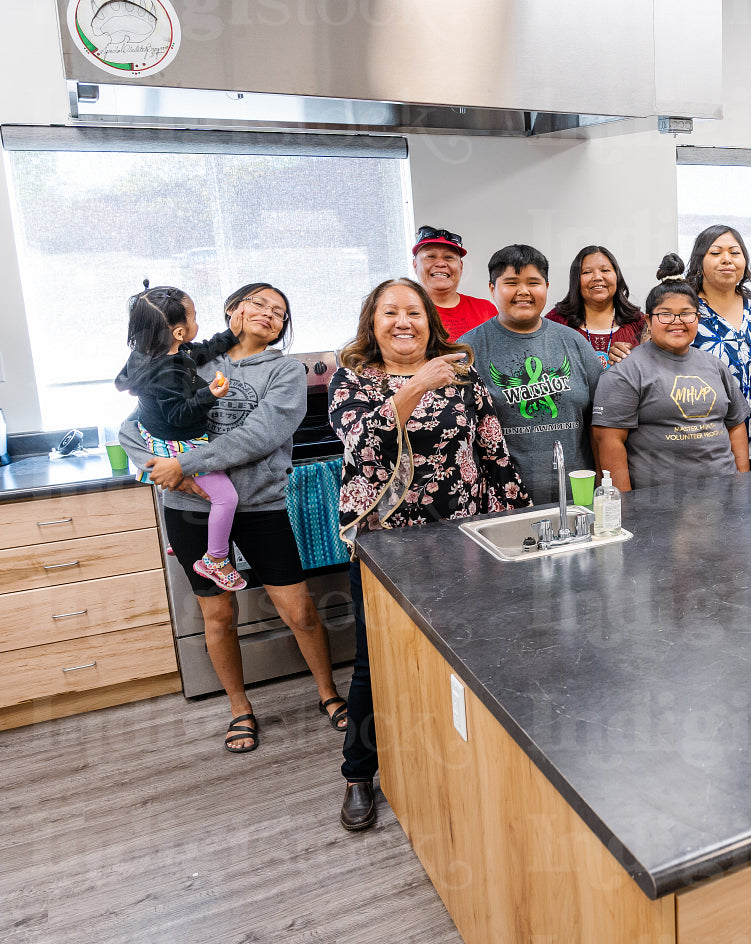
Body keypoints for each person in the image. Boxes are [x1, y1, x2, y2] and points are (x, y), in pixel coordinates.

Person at [330, 278, 529, 832]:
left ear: (429, 321)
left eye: (413, 312)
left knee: (465, 658)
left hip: (460, 542)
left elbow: (493, 454)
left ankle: (451, 762)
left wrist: (518, 528)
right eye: (390, 312)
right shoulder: (352, 380)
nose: (403, 322)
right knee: (376, 663)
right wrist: (415, 386)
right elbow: (362, 446)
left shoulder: (461, 373)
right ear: (373, 322)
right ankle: (358, 772)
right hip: (384, 546)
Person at [118, 283, 345, 754]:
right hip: (190, 508)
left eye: (279, 312)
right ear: (231, 310)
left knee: (299, 611)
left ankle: (329, 694)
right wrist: (163, 470)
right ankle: (240, 709)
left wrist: (186, 464)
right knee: (218, 614)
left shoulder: (284, 370)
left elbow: (262, 435)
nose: (268, 313)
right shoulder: (191, 359)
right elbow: (132, 424)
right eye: (258, 303)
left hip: (261, 505)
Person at [115, 283, 243, 590]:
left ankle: (181, 543)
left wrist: (229, 336)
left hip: (154, 436)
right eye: (194, 317)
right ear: (178, 333)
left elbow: (198, 353)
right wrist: (209, 394)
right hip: (179, 447)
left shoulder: (149, 355)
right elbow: (180, 414)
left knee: (190, 495)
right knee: (226, 497)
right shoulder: (167, 373)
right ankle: (215, 558)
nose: (198, 323)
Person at [460, 244, 602, 505]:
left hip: (577, 496)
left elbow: (603, 420)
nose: (523, 291)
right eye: (511, 282)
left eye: (533, 282)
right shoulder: (468, 351)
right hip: (503, 501)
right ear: (492, 289)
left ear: (547, 286)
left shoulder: (575, 343)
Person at [591, 280, 749, 490]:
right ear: (648, 320)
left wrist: (742, 485)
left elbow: (736, 425)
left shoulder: (715, 365)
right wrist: (626, 509)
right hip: (658, 505)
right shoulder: (626, 370)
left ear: (697, 318)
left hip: (724, 497)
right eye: (665, 314)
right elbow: (609, 443)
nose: (677, 321)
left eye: (686, 313)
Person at [685, 224, 751, 469]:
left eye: (734, 252)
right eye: (716, 253)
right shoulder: (685, 311)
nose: (726, 260)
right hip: (710, 448)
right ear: (699, 263)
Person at [543, 245, 647, 368]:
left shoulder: (638, 321)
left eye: (605, 270)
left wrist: (635, 356)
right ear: (576, 280)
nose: (597, 277)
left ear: (617, 276)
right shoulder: (556, 321)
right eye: (587, 272)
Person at [410, 224, 496, 338]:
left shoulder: (485, 310)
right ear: (415, 265)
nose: (440, 263)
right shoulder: (404, 314)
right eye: (430, 256)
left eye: (449, 257)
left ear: (461, 266)